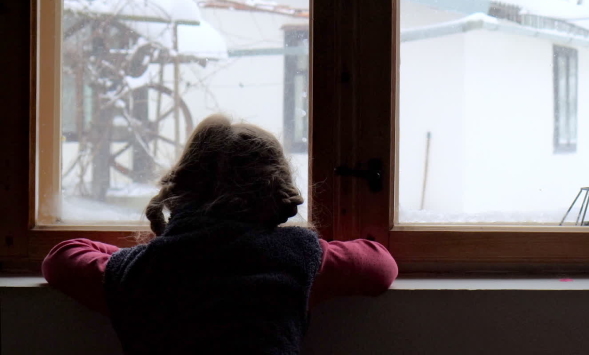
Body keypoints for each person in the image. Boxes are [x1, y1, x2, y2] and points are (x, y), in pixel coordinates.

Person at [42, 114, 398, 354]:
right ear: (274, 188)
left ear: (182, 184)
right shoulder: (296, 255)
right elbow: (380, 266)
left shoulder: (141, 268)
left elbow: (61, 259)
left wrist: (142, 252)